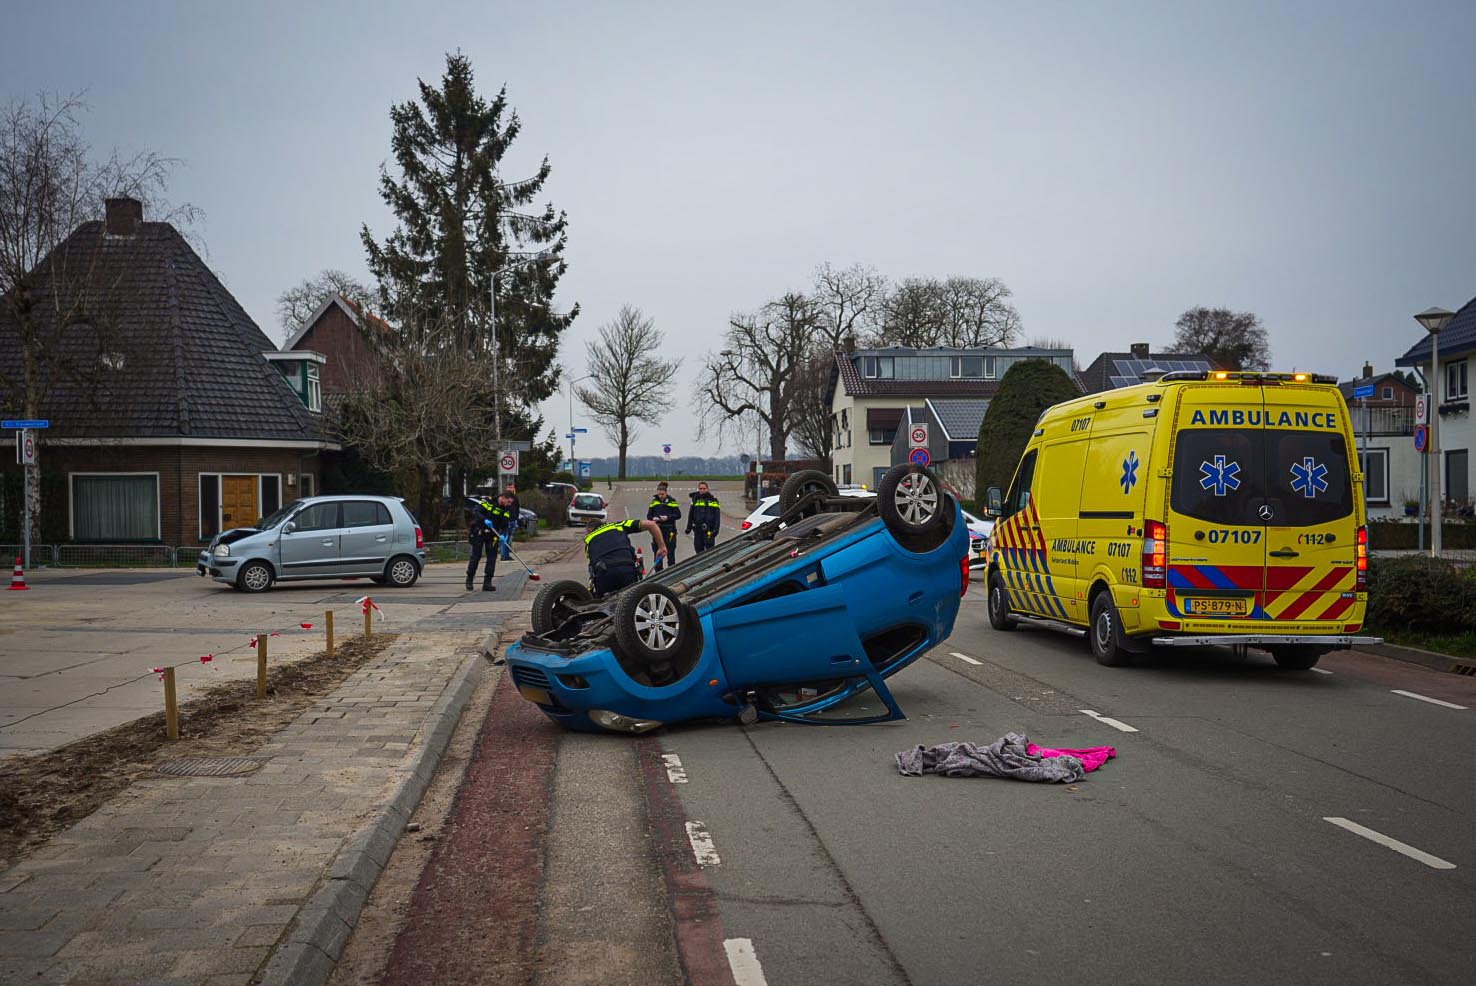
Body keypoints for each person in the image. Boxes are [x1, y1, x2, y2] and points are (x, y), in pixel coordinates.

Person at [585, 516, 666, 596]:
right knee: (632, 600)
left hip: (604, 575)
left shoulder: (589, 540)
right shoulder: (618, 525)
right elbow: (651, 524)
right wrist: (662, 547)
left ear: (589, 530)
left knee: (604, 604)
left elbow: (592, 568)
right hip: (627, 569)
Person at [466, 493, 516, 591]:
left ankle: (487, 583)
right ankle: (469, 580)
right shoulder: (488, 501)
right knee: (476, 557)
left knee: (492, 558)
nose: (509, 504)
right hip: (480, 531)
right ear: (503, 498)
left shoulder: (506, 509)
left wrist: (504, 534)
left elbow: (505, 523)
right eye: (508, 501)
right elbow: (477, 512)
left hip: (493, 534)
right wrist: (485, 520)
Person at [647, 481, 682, 572]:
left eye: (662, 494)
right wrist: (653, 518)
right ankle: (658, 572)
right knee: (657, 552)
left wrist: (667, 517)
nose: (660, 496)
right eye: (659, 494)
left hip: (669, 529)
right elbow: (649, 516)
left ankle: (671, 571)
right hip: (657, 529)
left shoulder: (672, 501)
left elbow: (678, 515)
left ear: (666, 493)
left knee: (670, 552)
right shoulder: (654, 502)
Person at [686, 482, 721, 554]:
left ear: (707, 489)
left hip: (709, 529)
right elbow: (691, 514)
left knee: (710, 551)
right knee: (698, 549)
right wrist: (689, 527)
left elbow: (717, 516)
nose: (702, 490)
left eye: (704, 488)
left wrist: (716, 529)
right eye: (700, 488)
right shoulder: (695, 499)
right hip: (698, 529)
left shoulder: (713, 500)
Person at [500, 481, 521, 561]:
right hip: (507, 520)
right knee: (505, 538)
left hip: (513, 519)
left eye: (512, 487)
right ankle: (504, 555)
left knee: (509, 539)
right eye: (509, 487)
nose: (510, 489)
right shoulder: (505, 497)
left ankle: (506, 555)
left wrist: (516, 518)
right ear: (506, 488)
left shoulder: (515, 497)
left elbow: (517, 508)